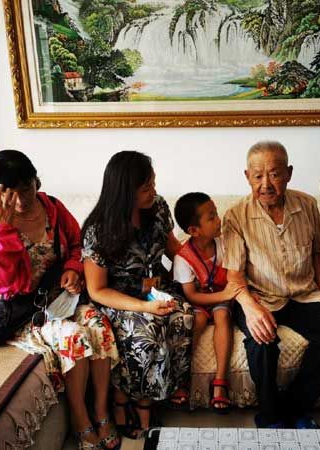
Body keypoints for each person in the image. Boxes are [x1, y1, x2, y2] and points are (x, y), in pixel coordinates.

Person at [0, 150, 120, 450]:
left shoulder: (52, 207)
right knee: (74, 336)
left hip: (63, 299)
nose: (21, 201)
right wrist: (3, 229)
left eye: (26, 189)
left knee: (99, 325)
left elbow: (78, 244)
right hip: (29, 312)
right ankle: (80, 420)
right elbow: (0, 279)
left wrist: (72, 269)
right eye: (9, 194)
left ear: (36, 181)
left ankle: (101, 412)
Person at [221, 141, 320, 428]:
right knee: (262, 341)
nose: (266, 184)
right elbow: (234, 276)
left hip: (304, 294)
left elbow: (316, 252)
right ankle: (270, 418)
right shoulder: (235, 216)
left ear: (289, 173)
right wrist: (251, 308)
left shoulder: (307, 205)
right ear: (247, 176)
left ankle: (294, 409)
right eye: (258, 176)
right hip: (259, 296)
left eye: (274, 174)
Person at [81, 151, 194, 439]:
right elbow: (97, 290)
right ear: (124, 192)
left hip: (155, 290)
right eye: (146, 188)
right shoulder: (98, 230)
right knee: (149, 329)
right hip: (117, 299)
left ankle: (151, 397)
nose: (153, 191)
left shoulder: (157, 208)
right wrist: (143, 308)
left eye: (153, 183)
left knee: (183, 316)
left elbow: (172, 247)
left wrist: (203, 266)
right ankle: (126, 401)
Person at [173, 192, 242, 414]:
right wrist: (224, 296)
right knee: (198, 320)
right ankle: (183, 379)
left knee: (222, 316)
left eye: (216, 214)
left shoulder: (224, 244)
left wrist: (227, 296)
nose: (219, 220)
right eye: (211, 217)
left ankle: (220, 382)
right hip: (202, 301)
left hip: (224, 298)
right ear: (194, 230)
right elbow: (192, 295)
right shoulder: (183, 258)